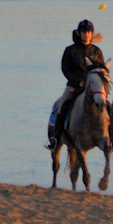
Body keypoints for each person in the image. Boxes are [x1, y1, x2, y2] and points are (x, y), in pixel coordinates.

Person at [45, 19, 105, 150]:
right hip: (73, 86)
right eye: (84, 32)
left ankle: (111, 136)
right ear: (79, 33)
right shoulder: (70, 50)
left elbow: (101, 71)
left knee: (107, 106)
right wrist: (78, 81)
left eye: (89, 32)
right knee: (62, 107)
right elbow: (65, 69)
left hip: (92, 88)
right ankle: (56, 137)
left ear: (92, 33)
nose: (86, 34)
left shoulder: (97, 51)